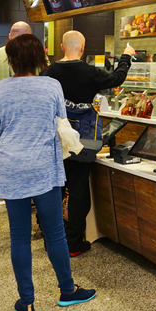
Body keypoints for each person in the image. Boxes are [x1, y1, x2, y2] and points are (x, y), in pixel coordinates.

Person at [0, 33, 96, 311]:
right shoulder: (51, 86)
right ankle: (67, 290)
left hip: (11, 168)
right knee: (55, 232)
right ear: (40, 58)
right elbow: (61, 123)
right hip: (44, 168)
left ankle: (26, 302)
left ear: (11, 59)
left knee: (19, 236)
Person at [42, 30, 135, 256]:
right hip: (82, 139)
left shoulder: (49, 72)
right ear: (82, 49)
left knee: (54, 188)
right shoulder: (90, 72)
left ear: (62, 47)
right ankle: (74, 243)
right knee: (78, 188)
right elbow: (117, 78)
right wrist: (126, 57)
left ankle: (51, 238)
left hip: (55, 138)